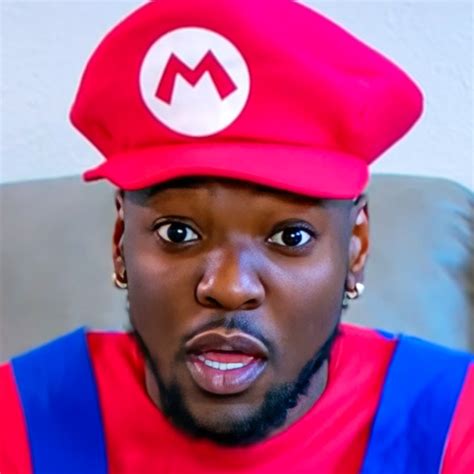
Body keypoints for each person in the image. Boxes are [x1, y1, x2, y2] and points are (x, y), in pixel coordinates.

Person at [1, 0, 472, 472]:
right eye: (178, 232)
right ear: (120, 241)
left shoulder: (454, 422)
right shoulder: (20, 416)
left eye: (290, 237)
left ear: (355, 248)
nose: (229, 287)